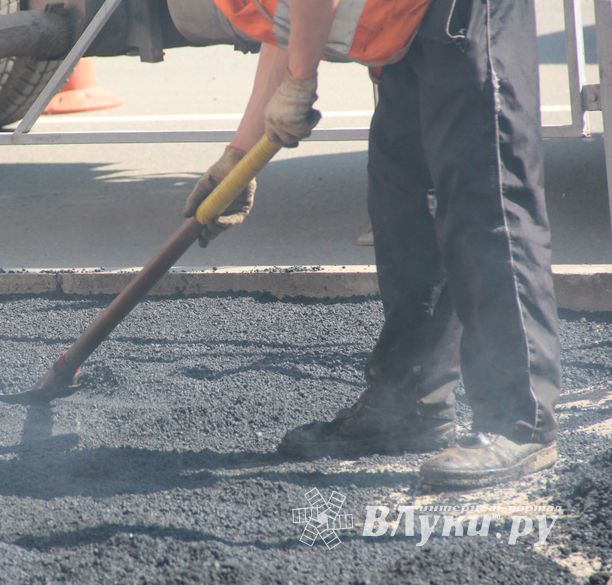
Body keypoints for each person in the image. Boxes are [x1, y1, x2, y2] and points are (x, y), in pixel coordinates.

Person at [183, 0, 561, 488]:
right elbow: (284, 24)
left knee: (485, 193)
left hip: (464, 11)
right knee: (402, 196)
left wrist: (301, 83)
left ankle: (520, 420)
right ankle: (409, 404)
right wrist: (237, 159)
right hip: (403, 22)